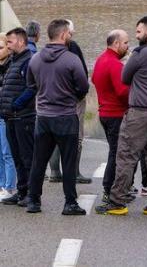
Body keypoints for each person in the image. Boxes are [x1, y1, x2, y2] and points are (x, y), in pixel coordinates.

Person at [95, 16, 147, 217]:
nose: (136, 37)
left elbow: (124, 77)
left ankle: (117, 201)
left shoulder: (140, 54)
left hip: (141, 111)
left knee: (126, 155)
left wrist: (134, 59)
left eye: (138, 32)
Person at [25, 19, 89, 215]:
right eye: (70, 33)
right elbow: (83, 87)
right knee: (68, 162)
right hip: (66, 116)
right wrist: (71, 97)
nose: (71, 36)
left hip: (43, 116)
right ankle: (70, 203)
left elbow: (31, 84)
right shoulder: (71, 59)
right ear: (63, 35)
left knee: (39, 160)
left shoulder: (35, 59)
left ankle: (33, 201)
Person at [48, 20, 92, 184]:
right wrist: (82, 93)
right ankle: (74, 172)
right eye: (71, 32)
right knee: (76, 135)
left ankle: (54, 171)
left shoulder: (48, 51)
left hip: (54, 98)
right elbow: (81, 74)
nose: (72, 35)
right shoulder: (72, 47)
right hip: (74, 98)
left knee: (55, 135)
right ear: (66, 33)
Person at [92, 29, 130, 203]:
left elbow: (93, 79)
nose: (128, 46)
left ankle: (115, 188)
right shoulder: (114, 64)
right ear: (116, 43)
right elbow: (123, 91)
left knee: (115, 152)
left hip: (104, 112)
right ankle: (109, 190)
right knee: (117, 154)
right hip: (116, 114)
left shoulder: (101, 59)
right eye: (125, 43)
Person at [0, 28, 36, 207]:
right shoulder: (14, 61)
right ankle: (21, 191)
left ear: (21, 42)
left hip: (23, 117)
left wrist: (16, 104)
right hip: (10, 117)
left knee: (27, 157)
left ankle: (31, 194)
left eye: (10, 42)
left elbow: (32, 88)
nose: (8, 45)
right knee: (17, 157)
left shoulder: (29, 61)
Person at [0, 35, 17, 200]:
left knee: (7, 152)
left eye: (1, 47)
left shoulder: (11, 66)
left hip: (5, 115)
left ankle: (10, 186)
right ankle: (1, 184)